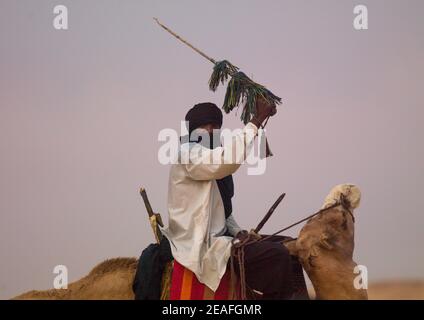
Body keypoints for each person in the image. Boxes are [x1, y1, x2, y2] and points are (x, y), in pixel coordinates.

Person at [160, 98, 295, 299]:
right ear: (195, 130)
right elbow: (227, 159)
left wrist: (239, 232)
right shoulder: (189, 153)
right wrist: (257, 120)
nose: (215, 131)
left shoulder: (208, 158)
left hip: (220, 237)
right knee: (278, 256)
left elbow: (222, 211)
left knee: (287, 246)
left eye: (218, 127)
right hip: (197, 242)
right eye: (210, 126)